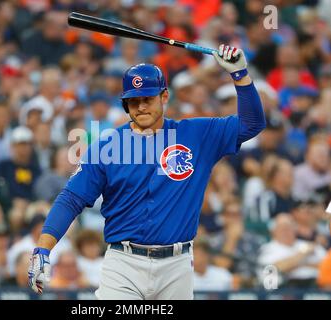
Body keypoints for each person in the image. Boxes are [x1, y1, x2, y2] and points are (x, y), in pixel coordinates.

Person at [28, 45, 266, 299]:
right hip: (124, 264)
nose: (140, 107)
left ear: (164, 97)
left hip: (177, 265)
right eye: (133, 101)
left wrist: (240, 74)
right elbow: (71, 198)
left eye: (147, 99)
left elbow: (251, 124)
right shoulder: (108, 146)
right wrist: (43, 248)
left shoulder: (197, 135)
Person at [257, 214, 326, 288]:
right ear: (273, 231)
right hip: (286, 288)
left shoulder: (308, 245)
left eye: (289, 227)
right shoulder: (267, 248)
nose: (286, 231)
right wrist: (303, 254)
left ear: (295, 229)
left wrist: (293, 265)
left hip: (317, 286)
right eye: (282, 228)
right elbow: (273, 269)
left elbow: (326, 265)